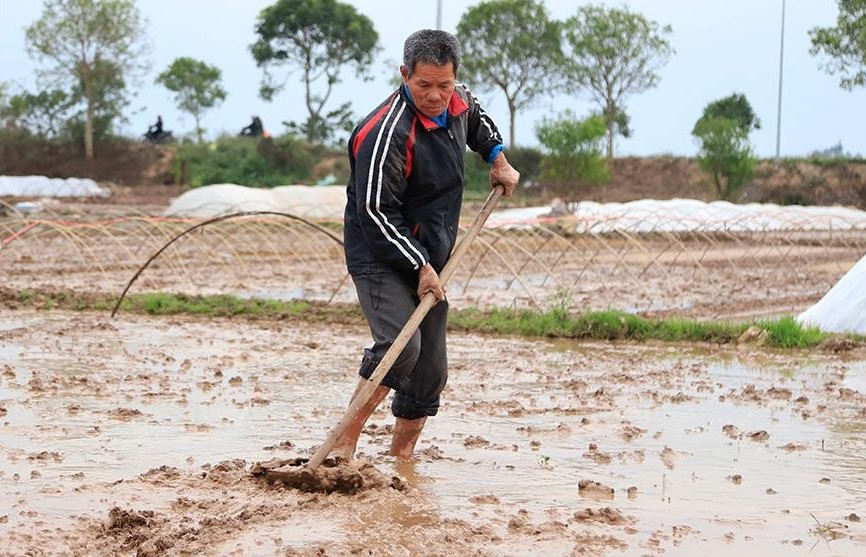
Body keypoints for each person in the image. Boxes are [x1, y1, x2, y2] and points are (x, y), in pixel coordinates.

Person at [332, 29, 520, 461]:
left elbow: (478, 120)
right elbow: (376, 213)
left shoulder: (459, 101)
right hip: (380, 252)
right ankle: (342, 448)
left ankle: (401, 462)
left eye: (444, 85)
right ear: (404, 74)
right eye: (424, 85)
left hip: (432, 251)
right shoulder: (385, 134)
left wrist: (497, 158)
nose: (436, 96)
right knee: (401, 346)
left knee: (429, 367)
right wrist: (418, 266)